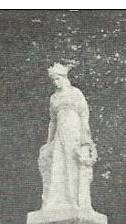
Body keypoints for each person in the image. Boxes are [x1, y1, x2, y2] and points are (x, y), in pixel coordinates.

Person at [38, 62, 97, 213]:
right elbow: (53, 121)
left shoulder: (75, 93)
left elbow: (84, 115)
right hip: (60, 134)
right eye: (54, 80)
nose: (56, 82)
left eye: (58, 79)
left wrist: (85, 138)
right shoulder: (54, 98)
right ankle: (58, 202)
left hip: (75, 131)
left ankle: (75, 201)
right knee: (58, 165)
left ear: (64, 77)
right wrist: (49, 142)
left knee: (73, 164)